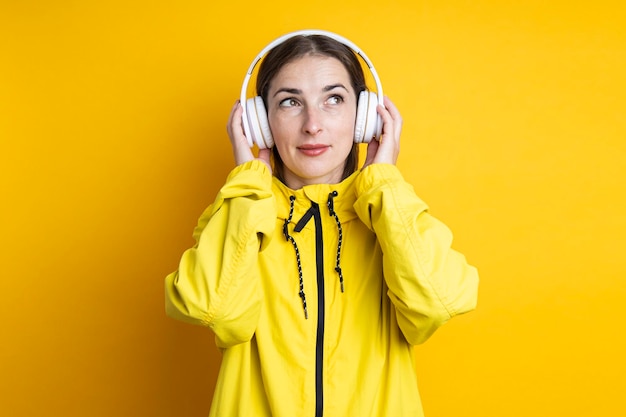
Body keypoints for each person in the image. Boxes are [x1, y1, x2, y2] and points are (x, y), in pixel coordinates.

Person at [164, 30, 479, 417]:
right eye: (290, 102)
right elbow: (211, 308)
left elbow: (437, 303)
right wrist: (250, 184)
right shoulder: (243, 214)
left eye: (333, 99)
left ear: (364, 117)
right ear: (260, 123)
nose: (312, 125)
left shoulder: (389, 217)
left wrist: (382, 183)